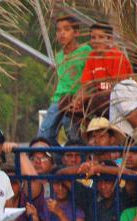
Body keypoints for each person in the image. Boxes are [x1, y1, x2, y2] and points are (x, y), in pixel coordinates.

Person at [38, 15, 91, 145]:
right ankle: (59, 160)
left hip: (76, 100)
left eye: (66, 29)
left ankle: (78, 161)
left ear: (76, 32)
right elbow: (61, 80)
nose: (62, 33)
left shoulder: (86, 51)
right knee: (44, 135)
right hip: (58, 100)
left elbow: (89, 79)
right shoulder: (59, 56)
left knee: (73, 136)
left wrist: (80, 99)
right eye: (58, 30)